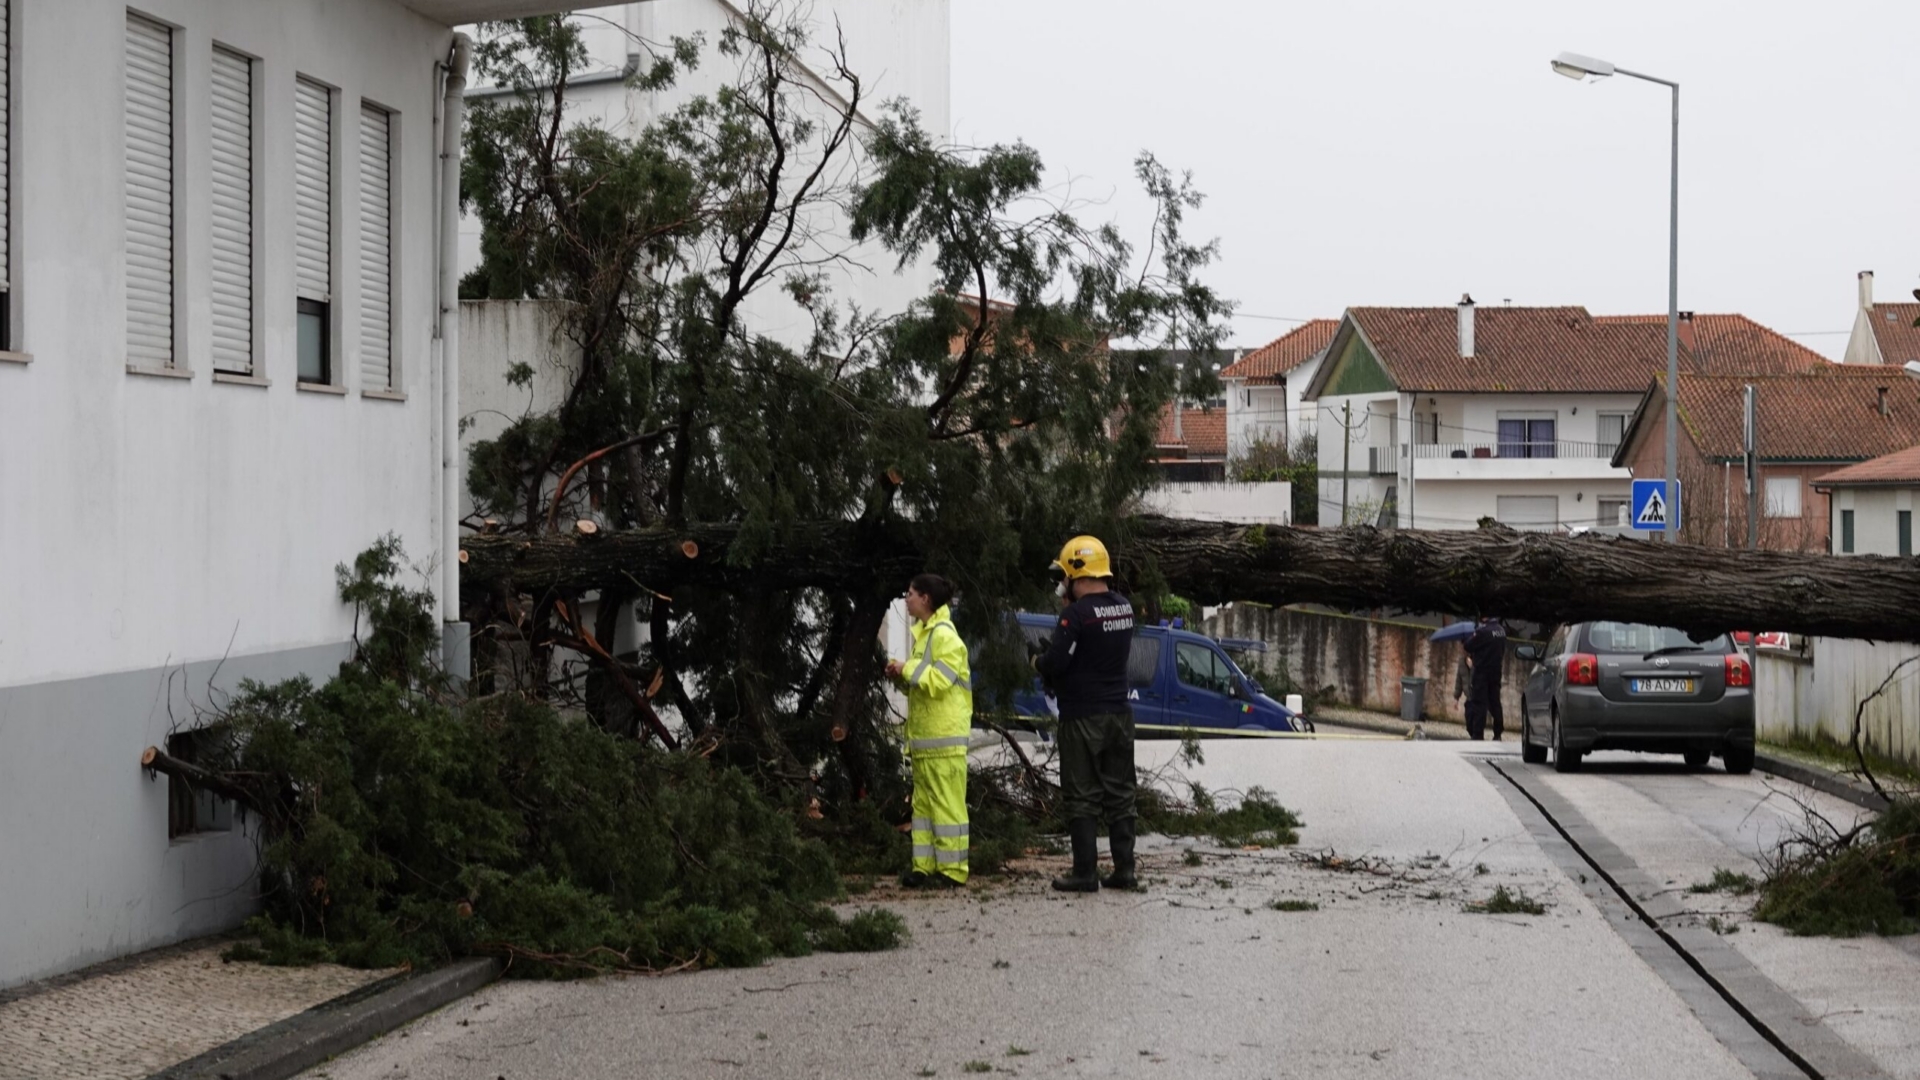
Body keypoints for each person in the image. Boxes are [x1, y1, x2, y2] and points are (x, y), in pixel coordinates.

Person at [1033, 535, 1138, 892]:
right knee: (1121, 792)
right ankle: (1125, 870)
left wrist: (1037, 661)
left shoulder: (1075, 614)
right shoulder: (1124, 607)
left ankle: (1084, 873)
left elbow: (1057, 664)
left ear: (1077, 574)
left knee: (1082, 795)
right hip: (1120, 715)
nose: (1062, 584)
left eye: (1064, 576)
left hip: (1082, 716)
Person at [885, 573, 973, 888]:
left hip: (944, 742)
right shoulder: (925, 635)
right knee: (922, 809)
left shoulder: (945, 637)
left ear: (925, 599)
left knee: (948, 808)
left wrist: (906, 668)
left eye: (910, 593)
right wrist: (901, 676)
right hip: (925, 743)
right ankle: (923, 867)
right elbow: (921, 687)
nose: (906, 599)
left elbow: (939, 682)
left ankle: (952, 872)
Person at [1463, 615, 1507, 741]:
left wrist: (1469, 638)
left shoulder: (1483, 632)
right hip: (1496, 671)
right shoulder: (1501, 631)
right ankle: (1498, 732)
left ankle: (1478, 734)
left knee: (1479, 703)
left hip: (1482, 672)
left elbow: (1468, 646)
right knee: (1495, 702)